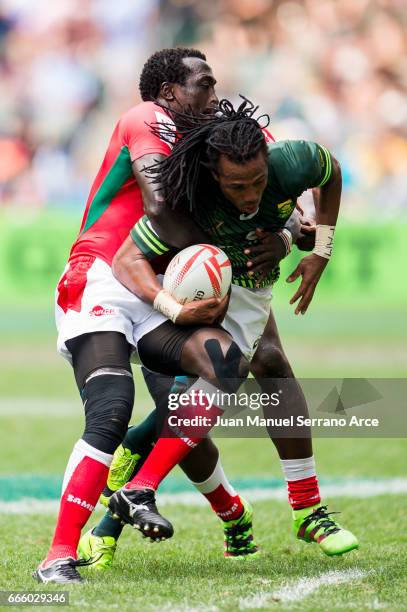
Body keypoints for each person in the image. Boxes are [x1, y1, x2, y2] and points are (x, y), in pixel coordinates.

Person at [34, 49, 295, 584]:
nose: (214, 90)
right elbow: (157, 205)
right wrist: (235, 249)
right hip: (106, 273)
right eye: (203, 82)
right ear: (169, 93)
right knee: (110, 409)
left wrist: (290, 233)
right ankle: (58, 556)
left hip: (164, 284)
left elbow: (284, 194)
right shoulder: (147, 119)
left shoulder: (218, 140)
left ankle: (149, 491)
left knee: (224, 367)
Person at [101, 99, 358, 563]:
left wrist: (318, 248)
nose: (249, 194)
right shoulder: (187, 200)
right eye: (238, 186)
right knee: (204, 389)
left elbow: (330, 174)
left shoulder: (290, 160)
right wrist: (172, 308)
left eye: (258, 181)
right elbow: (127, 259)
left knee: (253, 371)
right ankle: (122, 508)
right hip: (186, 291)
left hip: (248, 290)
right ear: (214, 176)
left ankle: (305, 508)